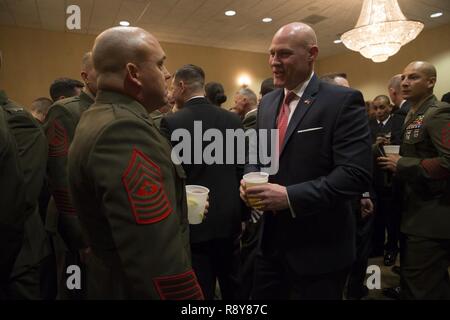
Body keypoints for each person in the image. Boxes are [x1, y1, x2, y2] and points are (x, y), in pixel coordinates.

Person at [68, 27, 203, 299]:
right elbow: (155, 254)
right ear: (134, 74)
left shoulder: (101, 115)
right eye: (161, 64)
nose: (167, 74)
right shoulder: (123, 131)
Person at [240, 22, 372, 299]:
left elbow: (354, 174)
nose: (274, 62)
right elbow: (258, 154)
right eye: (271, 54)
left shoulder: (342, 100)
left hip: (320, 249)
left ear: (311, 53)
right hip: (270, 245)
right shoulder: (268, 102)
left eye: (284, 54)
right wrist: (250, 178)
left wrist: (289, 197)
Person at [160, 64, 244, 300]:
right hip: (230, 219)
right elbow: (241, 171)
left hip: (195, 219)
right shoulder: (233, 120)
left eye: (173, 86)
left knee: (201, 289)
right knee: (233, 286)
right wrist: (243, 214)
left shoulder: (172, 123)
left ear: (181, 86)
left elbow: (170, 173)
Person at [378, 61, 450, 299]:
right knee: (415, 279)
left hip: (431, 217)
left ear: (430, 82)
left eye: (414, 77)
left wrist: (402, 164)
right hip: (413, 210)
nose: (406, 82)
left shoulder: (437, 112)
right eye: (405, 77)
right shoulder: (413, 112)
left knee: (423, 286)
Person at [43, 51, 97, 299]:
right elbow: (60, 175)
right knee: (75, 288)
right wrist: (80, 238)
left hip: (103, 227)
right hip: (75, 227)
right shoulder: (66, 111)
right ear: (87, 76)